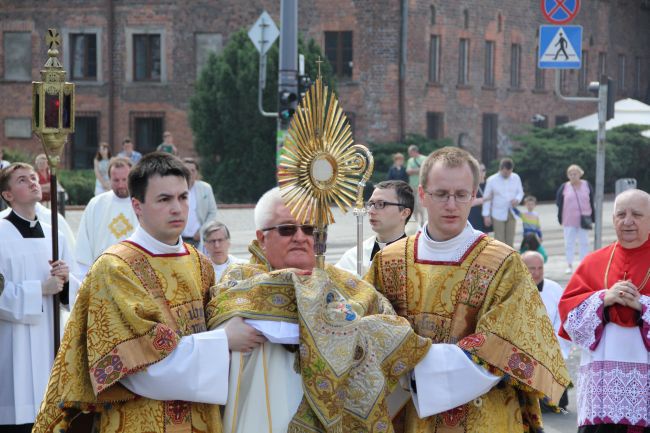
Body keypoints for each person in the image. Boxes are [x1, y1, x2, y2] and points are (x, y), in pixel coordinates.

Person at [207, 187, 480, 433]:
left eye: (309, 229)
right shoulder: (239, 281)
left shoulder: (346, 285)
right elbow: (220, 333)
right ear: (261, 237)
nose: (301, 237)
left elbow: (391, 329)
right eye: (287, 229)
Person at [33, 153, 263, 433]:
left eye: (183, 197)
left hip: (201, 418)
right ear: (137, 206)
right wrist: (224, 340)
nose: (177, 208)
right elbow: (138, 367)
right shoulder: (116, 268)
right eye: (164, 200)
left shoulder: (199, 263)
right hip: (141, 419)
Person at [367, 147, 570, 433]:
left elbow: (506, 346)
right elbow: (370, 331)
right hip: (409, 414)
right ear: (423, 195)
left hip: (484, 415)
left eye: (461, 194)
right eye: (441, 194)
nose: (451, 204)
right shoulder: (389, 261)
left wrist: (415, 365)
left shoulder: (503, 262)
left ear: (474, 196)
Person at [558, 188, 650, 433]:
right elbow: (569, 314)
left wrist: (643, 306)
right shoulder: (594, 261)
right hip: (601, 391)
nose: (627, 221)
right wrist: (602, 299)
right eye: (621, 214)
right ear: (612, 220)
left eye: (637, 214)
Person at [0, 162, 79, 433]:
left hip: (49, 341)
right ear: (7, 194)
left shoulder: (55, 233)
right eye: (23, 180)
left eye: (34, 178)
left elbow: (76, 290)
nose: (34, 182)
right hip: (12, 344)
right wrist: (39, 290)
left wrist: (66, 282)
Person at [521, 251, 572, 410]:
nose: (536, 273)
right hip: (524, 342)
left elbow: (563, 319)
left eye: (540, 268)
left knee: (557, 405)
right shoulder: (514, 288)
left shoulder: (554, 288)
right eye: (531, 269)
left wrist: (552, 342)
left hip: (551, 343)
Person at [74, 157, 138, 278]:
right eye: (116, 180)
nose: (121, 185)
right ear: (109, 179)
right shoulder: (96, 204)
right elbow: (83, 243)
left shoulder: (143, 203)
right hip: (102, 275)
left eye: (125, 179)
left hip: (134, 275)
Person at [336, 180, 413, 275]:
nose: (371, 211)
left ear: (404, 213)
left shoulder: (416, 258)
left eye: (381, 204)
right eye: (370, 204)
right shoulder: (355, 257)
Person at [556, 164, 594, 274]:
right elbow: (559, 203)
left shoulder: (587, 185)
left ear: (580, 174)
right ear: (568, 175)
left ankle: (584, 264)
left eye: (575, 174)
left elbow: (591, 201)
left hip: (584, 219)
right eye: (570, 174)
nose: (573, 176)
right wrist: (559, 218)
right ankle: (569, 265)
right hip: (569, 219)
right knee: (569, 243)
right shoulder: (564, 187)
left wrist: (593, 217)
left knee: (584, 242)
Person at [482, 157, 524, 247]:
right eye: (505, 172)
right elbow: (486, 199)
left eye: (509, 172)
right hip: (497, 213)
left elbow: (520, 192)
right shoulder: (491, 180)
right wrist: (486, 215)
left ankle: (509, 260)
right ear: (500, 169)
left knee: (510, 240)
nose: (508, 174)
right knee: (499, 241)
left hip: (512, 212)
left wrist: (517, 199)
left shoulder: (516, 177)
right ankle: (500, 260)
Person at [181, 157, 218, 247]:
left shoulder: (205, 188)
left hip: (199, 239)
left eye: (193, 170)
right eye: (187, 170)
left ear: (197, 172)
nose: (190, 173)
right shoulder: (174, 189)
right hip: (179, 239)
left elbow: (212, 212)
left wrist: (202, 231)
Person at [406, 144, 427, 225]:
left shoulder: (424, 158)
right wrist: (418, 170)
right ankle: (416, 221)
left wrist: (413, 171)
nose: (409, 154)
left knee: (419, 203)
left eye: (410, 152)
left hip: (421, 185)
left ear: (415, 151)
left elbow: (425, 170)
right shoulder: (410, 160)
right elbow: (408, 171)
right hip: (412, 185)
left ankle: (422, 220)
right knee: (413, 204)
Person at [468, 162, 491, 233]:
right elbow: (470, 202)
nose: (481, 172)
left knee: (485, 238)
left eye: (483, 170)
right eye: (479, 170)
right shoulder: (471, 185)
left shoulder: (489, 184)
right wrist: (485, 199)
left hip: (486, 215)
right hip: (474, 216)